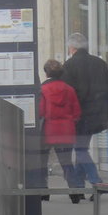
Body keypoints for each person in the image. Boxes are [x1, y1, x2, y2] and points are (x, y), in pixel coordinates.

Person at [62, 32, 108, 202]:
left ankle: (96, 182)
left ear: (72, 48)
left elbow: (67, 94)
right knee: (82, 148)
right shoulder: (100, 63)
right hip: (98, 115)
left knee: (80, 149)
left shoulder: (69, 65)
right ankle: (78, 186)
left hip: (79, 116)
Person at [38, 58, 81, 201]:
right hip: (66, 130)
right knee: (67, 162)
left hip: (48, 131)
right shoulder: (70, 89)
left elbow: (41, 111)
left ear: (46, 73)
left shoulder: (43, 89)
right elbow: (77, 112)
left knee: (42, 162)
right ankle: (74, 192)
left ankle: (44, 191)